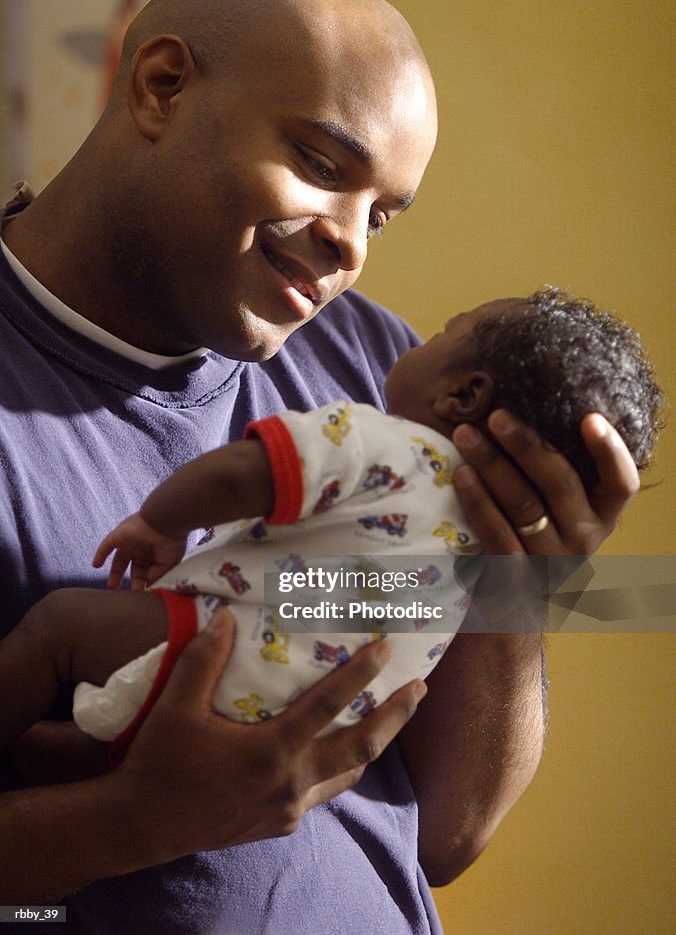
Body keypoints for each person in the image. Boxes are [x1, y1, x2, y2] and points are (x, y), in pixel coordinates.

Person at [0, 0, 641, 935]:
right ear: (162, 86)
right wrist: (125, 822)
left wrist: (515, 579)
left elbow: (447, 832)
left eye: (380, 214)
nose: (351, 245)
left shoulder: (379, 366)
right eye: (320, 164)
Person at [0, 288, 661, 770]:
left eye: (441, 332)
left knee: (60, 629)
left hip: (216, 649)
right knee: (94, 748)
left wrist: (160, 522)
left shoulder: (385, 445)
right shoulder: (472, 575)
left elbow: (243, 474)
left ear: (463, 396)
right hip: (292, 728)